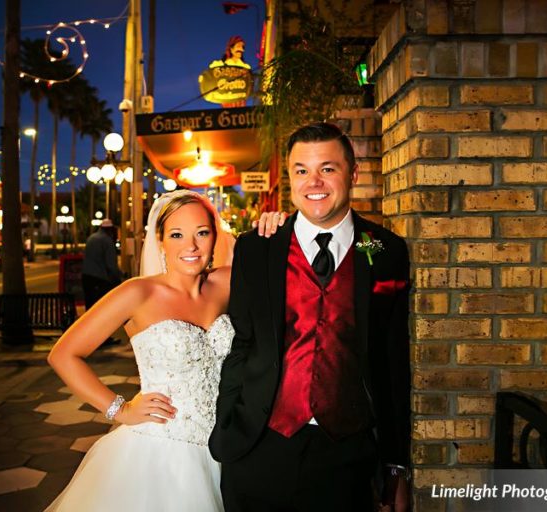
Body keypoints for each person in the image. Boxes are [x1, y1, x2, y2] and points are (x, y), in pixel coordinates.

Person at [210, 122, 412, 511]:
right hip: (259, 444)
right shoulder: (257, 249)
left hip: (349, 453)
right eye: (301, 170)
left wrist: (396, 465)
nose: (313, 182)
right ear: (289, 178)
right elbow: (243, 344)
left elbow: (392, 361)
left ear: (353, 173)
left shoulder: (385, 251)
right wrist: (231, 422)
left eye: (327, 168)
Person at [47, 191, 243, 511]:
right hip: (159, 449)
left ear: (216, 236)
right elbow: (63, 354)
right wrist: (120, 410)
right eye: (177, 234)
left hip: (226, 444)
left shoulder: (227, 283)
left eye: (202, 233)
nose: (190, 246)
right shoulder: (138, 292)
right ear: (160, 240)